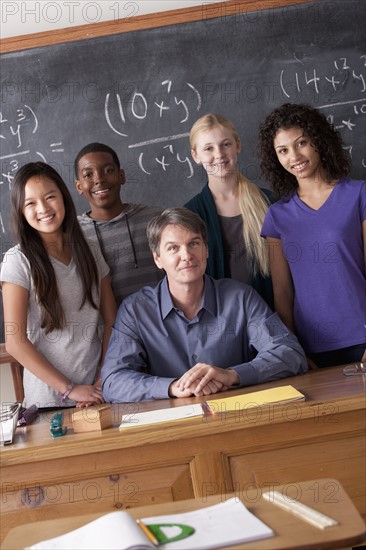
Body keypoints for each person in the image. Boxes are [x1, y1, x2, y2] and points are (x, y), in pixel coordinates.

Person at [102, 208, 307, 403]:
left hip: (237, 418)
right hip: (172, 427)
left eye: (194, 243)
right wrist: (173, 387)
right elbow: (112, 382)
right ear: (157, 259)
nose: (187, 255)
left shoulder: (240, 298)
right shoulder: (135, 310)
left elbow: (290, 353)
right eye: (173, 248)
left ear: (206, 250)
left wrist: (232, 375)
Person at [0, 162, 117, 408]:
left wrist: (102, 377)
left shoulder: (89, 250)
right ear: (21, 210)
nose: (43, 208)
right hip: (49, 402)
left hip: (98, 393)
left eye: (50, 197)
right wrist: (70, 390)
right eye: (30, 203)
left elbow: (111, 320)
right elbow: (15, 341)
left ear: (63, 198)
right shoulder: (17, 261)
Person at [258, 102, 366, 367]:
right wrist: (293, 350)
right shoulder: (277, 216)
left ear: (318, 141)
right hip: (312, 350)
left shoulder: (358, 194)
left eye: (301, 143)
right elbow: (282, 292)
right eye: (283, 150)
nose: (294, 156)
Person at [185, 113, 273, 307]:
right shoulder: (189, 215)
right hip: (219, 322)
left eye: (226, 144)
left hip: (269, 316)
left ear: (238, 145)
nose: (219, 154)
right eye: (208, 148)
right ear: (196, 156)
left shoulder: (269, 202)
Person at [75, 143, 163, 306]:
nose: (99, 179)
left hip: (160, 325)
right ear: (79, 186)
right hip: (108, 329)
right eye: (88, 175)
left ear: (121, 176)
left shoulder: (156, 219)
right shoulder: (74, 234)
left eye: (108, 171)